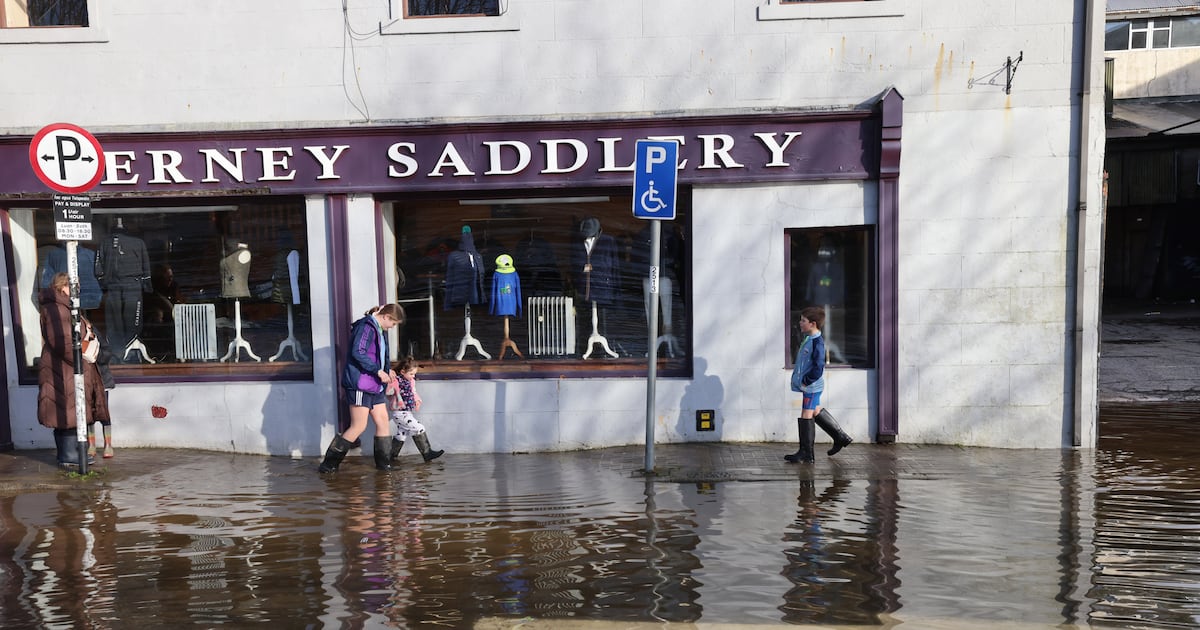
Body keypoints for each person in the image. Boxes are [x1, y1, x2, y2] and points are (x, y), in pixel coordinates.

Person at [318, 303, 404, 473]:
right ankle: (328, 465)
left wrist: (387, 370)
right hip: (360, 384)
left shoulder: (380, 329)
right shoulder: (366, 326)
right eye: (393, 323)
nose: (393, 327)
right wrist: (378, 371)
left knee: (382, 421)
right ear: (386, 317)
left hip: (375, 385)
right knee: (358, 426)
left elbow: (379, 356)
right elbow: (358, 352)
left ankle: (384, 466)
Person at [38, 273, 110, 468]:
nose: (78, 289)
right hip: (65, 370)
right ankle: (70, 454)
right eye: (73, 286)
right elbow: (62, 343)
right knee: (69, 410)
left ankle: (68, 454)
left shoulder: (65, 308)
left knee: (68, 409)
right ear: (62, 287)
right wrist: (80, 361)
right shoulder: (57, 309)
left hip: (67, 368)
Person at [785, 306, 852, 463]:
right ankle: (840, 437)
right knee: (815, 410)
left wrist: (806, 380)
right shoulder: (809, 339)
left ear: (813, 324)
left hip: (811, 386)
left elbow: (818, 367)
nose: (800, 323)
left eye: (803, 321)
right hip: (810, 386)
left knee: (806, 414)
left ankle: (806, 454)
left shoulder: (817, 343)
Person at [385, 356, 444, 464]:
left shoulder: (411, 381)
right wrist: (392, 388)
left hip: (407, 412)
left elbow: (413, 392)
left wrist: (417, 400)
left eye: (414, 374)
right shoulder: (396, 380)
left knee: (402, 434)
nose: (413, 376)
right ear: (402, 372)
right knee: (419, 428)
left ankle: (390, 456)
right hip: (399, 412)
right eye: (411, 374)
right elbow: (388, 392)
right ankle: (427, 453)